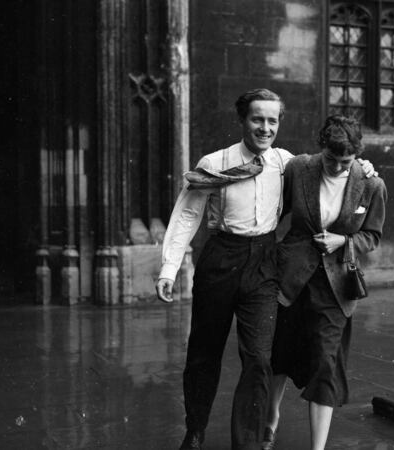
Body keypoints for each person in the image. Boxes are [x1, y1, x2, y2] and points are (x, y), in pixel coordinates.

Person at [155, 90, 376, 450]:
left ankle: (249, 443)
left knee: (259, 356)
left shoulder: (286, 164)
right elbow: (187, 215)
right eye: (258, 119)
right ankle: (195, 431)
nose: (265, 127)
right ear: (242, 120)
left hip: (264, 260)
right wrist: (169, 268)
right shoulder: (215, 163)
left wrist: (363, 168)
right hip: (221, 259)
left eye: (272, 121)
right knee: (204, 351)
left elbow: (330, 168)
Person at [263, 115, 387, 450]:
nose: (335, 167)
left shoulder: (371, 184)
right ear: (321, 149)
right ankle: (270, 422)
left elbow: (372, 236)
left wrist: (342, 242)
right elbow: (274, 211)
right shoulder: (299, 169)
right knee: (279, 354)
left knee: (326, 363)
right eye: (330, 159)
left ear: (357, 155)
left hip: (336, 285)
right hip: (291, 279)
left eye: (344, 162)